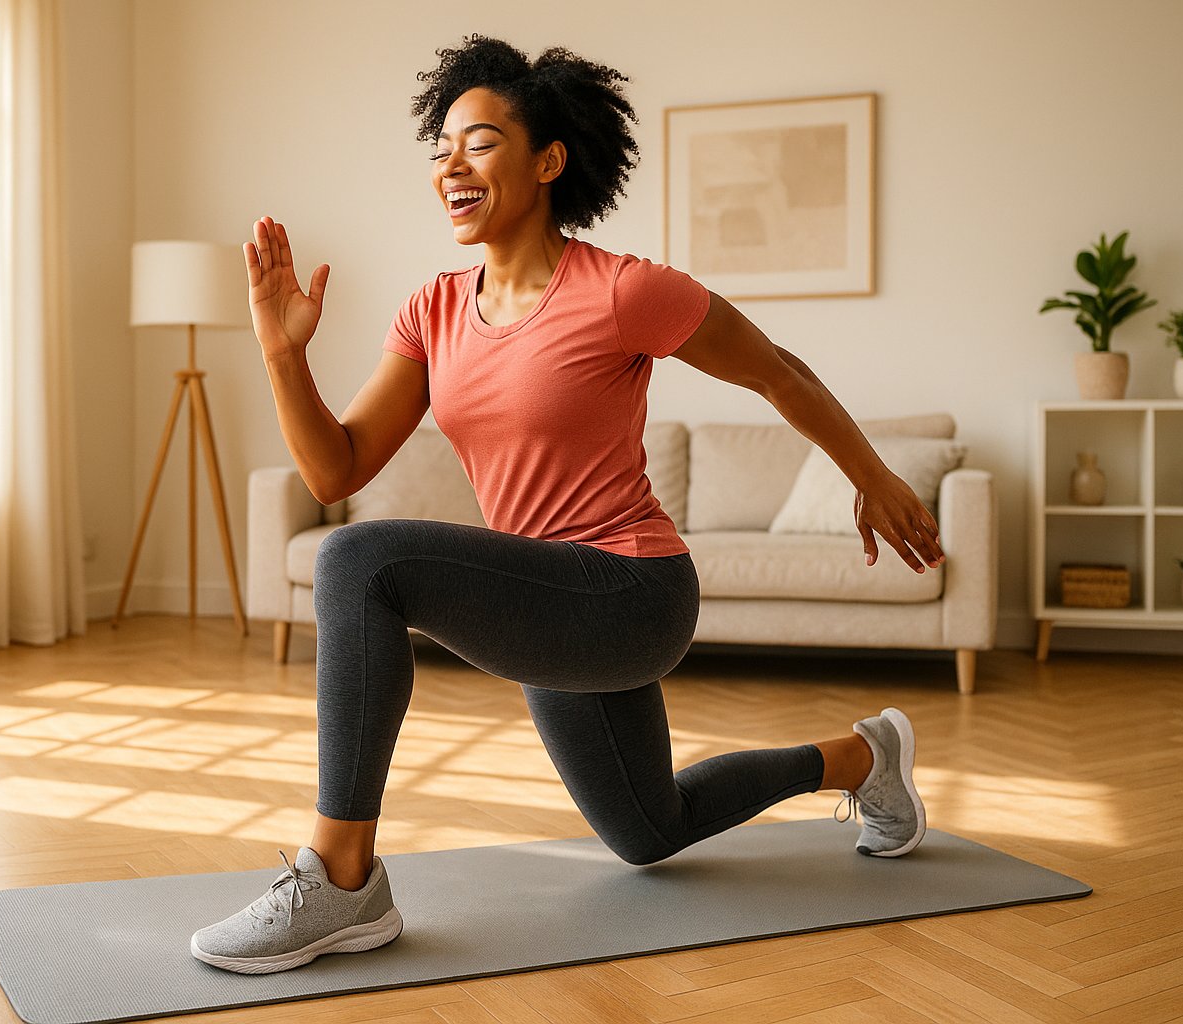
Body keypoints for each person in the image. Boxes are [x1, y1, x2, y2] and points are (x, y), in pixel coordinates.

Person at [190, 34, 941, 976]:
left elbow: (776, 372)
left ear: (549, 160)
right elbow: (335, 471)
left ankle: (343, 880)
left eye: (481, 143)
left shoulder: (625, 290)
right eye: (442, 149)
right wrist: (281, 353)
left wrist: (872, 474)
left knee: (356, 562)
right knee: (646, 830)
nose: (451, 167)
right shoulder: (433, 310)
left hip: (632, 591)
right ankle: (865, 759)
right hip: (547, 599)